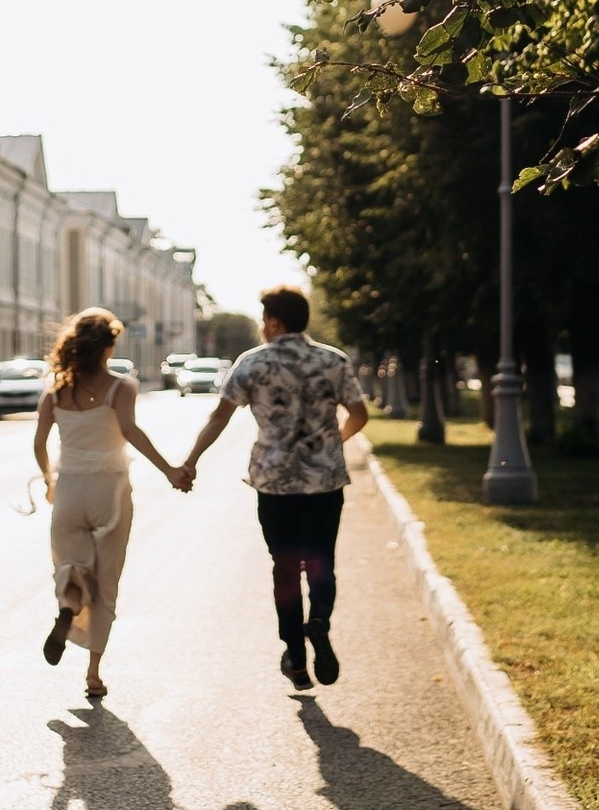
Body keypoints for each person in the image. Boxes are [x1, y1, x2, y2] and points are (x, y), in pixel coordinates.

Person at [182, 286, 367, 690]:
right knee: (321, 561)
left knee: (284, 568)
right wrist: (333, 444)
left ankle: (296, 660)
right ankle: (319, 622)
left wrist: (191, 460)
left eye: (265, 319)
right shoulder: (333, 360)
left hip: (275, 485)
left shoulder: (253, 363)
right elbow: (359, 414)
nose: (263, 326)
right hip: (324, 482)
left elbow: (219, 417)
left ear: (275, 322)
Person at [33, 307, 190, 702]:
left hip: (69, 491)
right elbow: (131, 432)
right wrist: (170, 471)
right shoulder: (121, 388)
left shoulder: (55, 392)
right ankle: (93, 674)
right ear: (107, 348)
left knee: (71, 568)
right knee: (106, 585)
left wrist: (50, 480)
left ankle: (69, 609)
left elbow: (39, 443)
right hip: (110, 492)